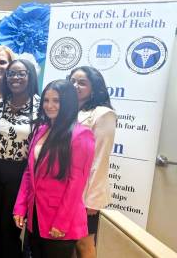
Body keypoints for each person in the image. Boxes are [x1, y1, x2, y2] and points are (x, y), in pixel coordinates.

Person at [13, 79, 95, 258]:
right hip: (36, 214)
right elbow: (29, 173)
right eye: (46, 100)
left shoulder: (81, 135)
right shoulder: (41, 130)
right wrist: (20, 206)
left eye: (56, 100)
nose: (49, 106)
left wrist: (62, 222)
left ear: (68, 102)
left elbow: (76, 184)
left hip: (60, 218)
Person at [0, 59, 40, 258]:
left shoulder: (40, 108)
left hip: (20, 174)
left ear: (30, 76)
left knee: (10, 227)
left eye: (20, 73)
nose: (15, 78)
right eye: (11, 74)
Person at [68, 66, 116, 258]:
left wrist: (92, 201)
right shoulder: (66, 110)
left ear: (94, 88)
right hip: (65, 188)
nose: (75, 86)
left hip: (85, 193)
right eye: (72, 81)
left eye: (82, 83)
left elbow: (100, 158)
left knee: (84, 242)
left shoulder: (103, 114)